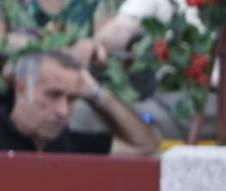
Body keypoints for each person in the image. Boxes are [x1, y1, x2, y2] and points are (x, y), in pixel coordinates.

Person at [74, 0, 226, 138]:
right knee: (82, 115)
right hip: (167, 101)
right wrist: (95, 44)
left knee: (132, 124)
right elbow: (123, 27)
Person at [0, 49, 158, 154]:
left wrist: (96, 93)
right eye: (53, 95)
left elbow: (145, 146)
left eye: (72, 99)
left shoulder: (71, 145)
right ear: (21, 87)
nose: (63, 111)